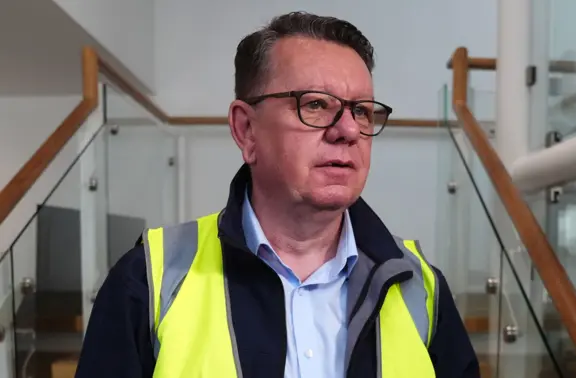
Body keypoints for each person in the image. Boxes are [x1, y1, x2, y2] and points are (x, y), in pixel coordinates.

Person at [76, 11, 479, 378]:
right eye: (316, 105)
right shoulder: (151, 280)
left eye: (361, 110)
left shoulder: (419, 287)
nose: (350, 131)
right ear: (246, 130)